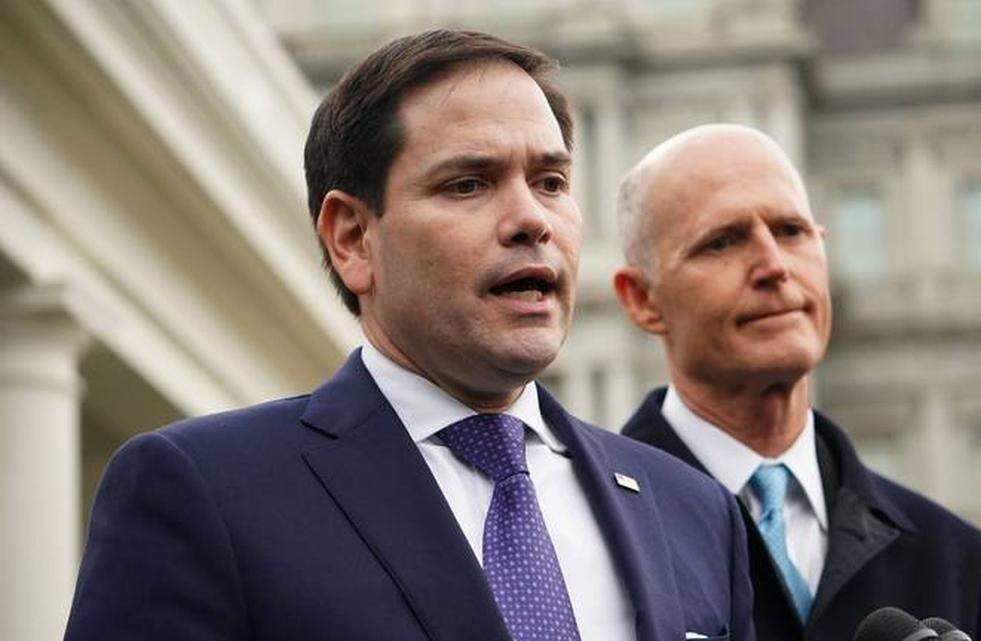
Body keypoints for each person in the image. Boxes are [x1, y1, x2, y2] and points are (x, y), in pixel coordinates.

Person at [65, 31, 754, 641]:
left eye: (550, 180)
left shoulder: (694, 511)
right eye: (467, 184)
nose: (531, 220)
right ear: (352, 238)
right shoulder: (204, 490)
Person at [612, 124, 981, 641]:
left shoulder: (958, 561)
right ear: (641, 299)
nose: (774, 266)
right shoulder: (585, 538)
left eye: (791, 231)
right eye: (722, 242)